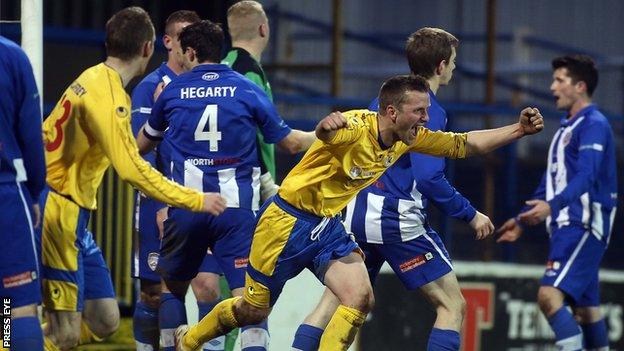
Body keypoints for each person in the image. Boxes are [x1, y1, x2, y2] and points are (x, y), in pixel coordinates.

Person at [176, 74, 545, 351]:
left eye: (427, 110)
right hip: (283, 225)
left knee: (360, 298)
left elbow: (464, 145)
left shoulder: (407, 138)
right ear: (391, 111)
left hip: (325, 225)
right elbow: (327, 133)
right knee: (252, 310)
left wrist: (518, 129)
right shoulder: (355, 127)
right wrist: (326, 125)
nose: (425, 118)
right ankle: (190, 341)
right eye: (419, 111)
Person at [291, 27, 495, 351]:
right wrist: (470, 215)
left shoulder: (385, 100)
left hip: (357, 214)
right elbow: (429, 177)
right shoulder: (430, 111)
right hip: (396, 220)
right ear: (441, 66)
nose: (455, 68)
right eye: (454, 61)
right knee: (452, 305)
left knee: (335, 302)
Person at [40, 7, 226, 351]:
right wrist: (195, 199)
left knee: (105, 320)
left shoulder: (92, 77)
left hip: (73, 215)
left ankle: (22, 333)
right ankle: (10, 339)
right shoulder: (112, 98)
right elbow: (132, 169)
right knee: (57, 332)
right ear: (148, 47)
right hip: (58, 213)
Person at [136, 20, 316, 351]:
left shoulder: (172, 90)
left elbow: (141, 146)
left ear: (189, 52)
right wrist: (321, 134)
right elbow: (290, 143)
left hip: (188, 209)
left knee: (172, 290)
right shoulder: (248, 89)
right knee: (249, 299)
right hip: (236, 213)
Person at [497, 54, 617, 351]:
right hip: (566, 224)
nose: (552, 87)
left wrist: (552, 207)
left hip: (583, 223)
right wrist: (523, 218)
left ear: (580, 86)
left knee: (548, 297)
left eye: (559, 80)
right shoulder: (567, 128)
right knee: (588, 310)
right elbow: (551, 183)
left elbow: (587, 176)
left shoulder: (594, 123)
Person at [129, 10, 228, 351]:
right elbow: (143, 152)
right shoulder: (149, 88)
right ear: (169, 42)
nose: (191, 48)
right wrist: (160, 203)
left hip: (202, 203)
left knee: (207, 287)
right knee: (155, 292)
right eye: (184, 39)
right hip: (160, 201)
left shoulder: (210, 86)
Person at [0, 35, 45, 351]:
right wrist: (33, 192)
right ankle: (5, 344)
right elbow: (31, 135)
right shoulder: (11, 56)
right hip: (4, 195)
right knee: (13, 303)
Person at [222, 0, 279, 202]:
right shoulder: (249, 72)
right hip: (249, 185)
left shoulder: (223, 66)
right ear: (263, 29)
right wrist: (265, 180)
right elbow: (247, 130)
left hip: (221, 183)